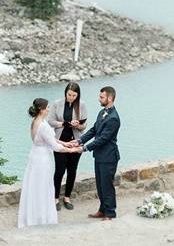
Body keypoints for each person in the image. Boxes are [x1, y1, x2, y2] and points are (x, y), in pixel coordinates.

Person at [17, 98, 79, 228]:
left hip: (35, 155)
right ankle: (41, 218)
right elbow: (55, 147)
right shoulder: (44, 125)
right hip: (42, 159)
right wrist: (71, 149)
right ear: (42, 110)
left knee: (34, 186)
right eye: (47, 107)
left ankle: (32, 216)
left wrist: (65, 143)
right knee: (43, 187)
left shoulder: (36, 121)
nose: (49, 109)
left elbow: (51, 139)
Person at [65, 86, 121, 221]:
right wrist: (79, 141)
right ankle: (102, 210)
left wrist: (84, 148)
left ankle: (110, 213)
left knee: (107, 185)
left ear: (110, 98)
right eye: (100, 96)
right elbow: (94, 130)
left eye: (102, 97)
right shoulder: (102, 112)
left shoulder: (113, 118)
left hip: (109, 156)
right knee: (100, 185)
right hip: (100, 155)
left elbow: (103, 139)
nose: (99, 99)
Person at [48, 82, 89, 211]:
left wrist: (77, 125)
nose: (71, 97)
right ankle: (55, 198)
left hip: (76, 142)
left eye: (74, 95)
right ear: (65, 93)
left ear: (78, 95)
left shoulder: (82, 105)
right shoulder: (57, 103)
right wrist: (64, 124)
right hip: (60, 141)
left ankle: (67, 197)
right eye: (69, 95)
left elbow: (84, 126)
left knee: (72, 170)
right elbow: (50, 121)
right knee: (59, 170)